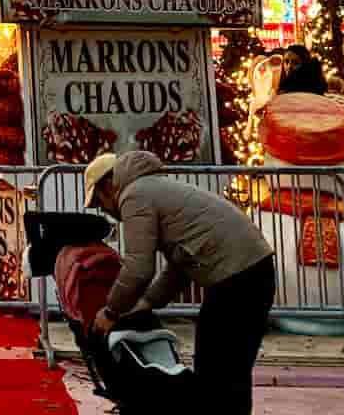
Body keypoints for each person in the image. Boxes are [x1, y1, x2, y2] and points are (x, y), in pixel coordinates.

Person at [86, 149, 277, 415]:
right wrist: (147, 302)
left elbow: (139, 268)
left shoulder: (134, 196)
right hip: (253, 271)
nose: (105, 211)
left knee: (216, 370)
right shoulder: (155, 188)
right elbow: (181, 266)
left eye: (99, 202)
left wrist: (111, 311)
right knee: (232, 371)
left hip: (236, 278)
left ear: (108, 186)